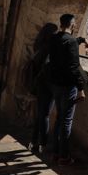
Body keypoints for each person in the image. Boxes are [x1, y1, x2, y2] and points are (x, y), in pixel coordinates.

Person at [47, 13, 88, 164]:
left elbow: (65, 45)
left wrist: (81, 40)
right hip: (67, 85)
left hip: (55, 84)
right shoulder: (70, 42)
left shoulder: (54, 39)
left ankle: (56, 152)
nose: (76, 25)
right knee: (66, 121)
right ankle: (64, 156)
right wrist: (81, 88)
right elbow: (74, 67)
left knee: (59, 118)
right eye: (75, 23)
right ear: (71, 25)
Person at [28, 22, 58, 155]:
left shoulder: (38, 46)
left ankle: (33, 142)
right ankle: (43, 144)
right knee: (45, 115)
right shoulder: (50, 48)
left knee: (40, 114)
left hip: (38, 83)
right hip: (48, 83)